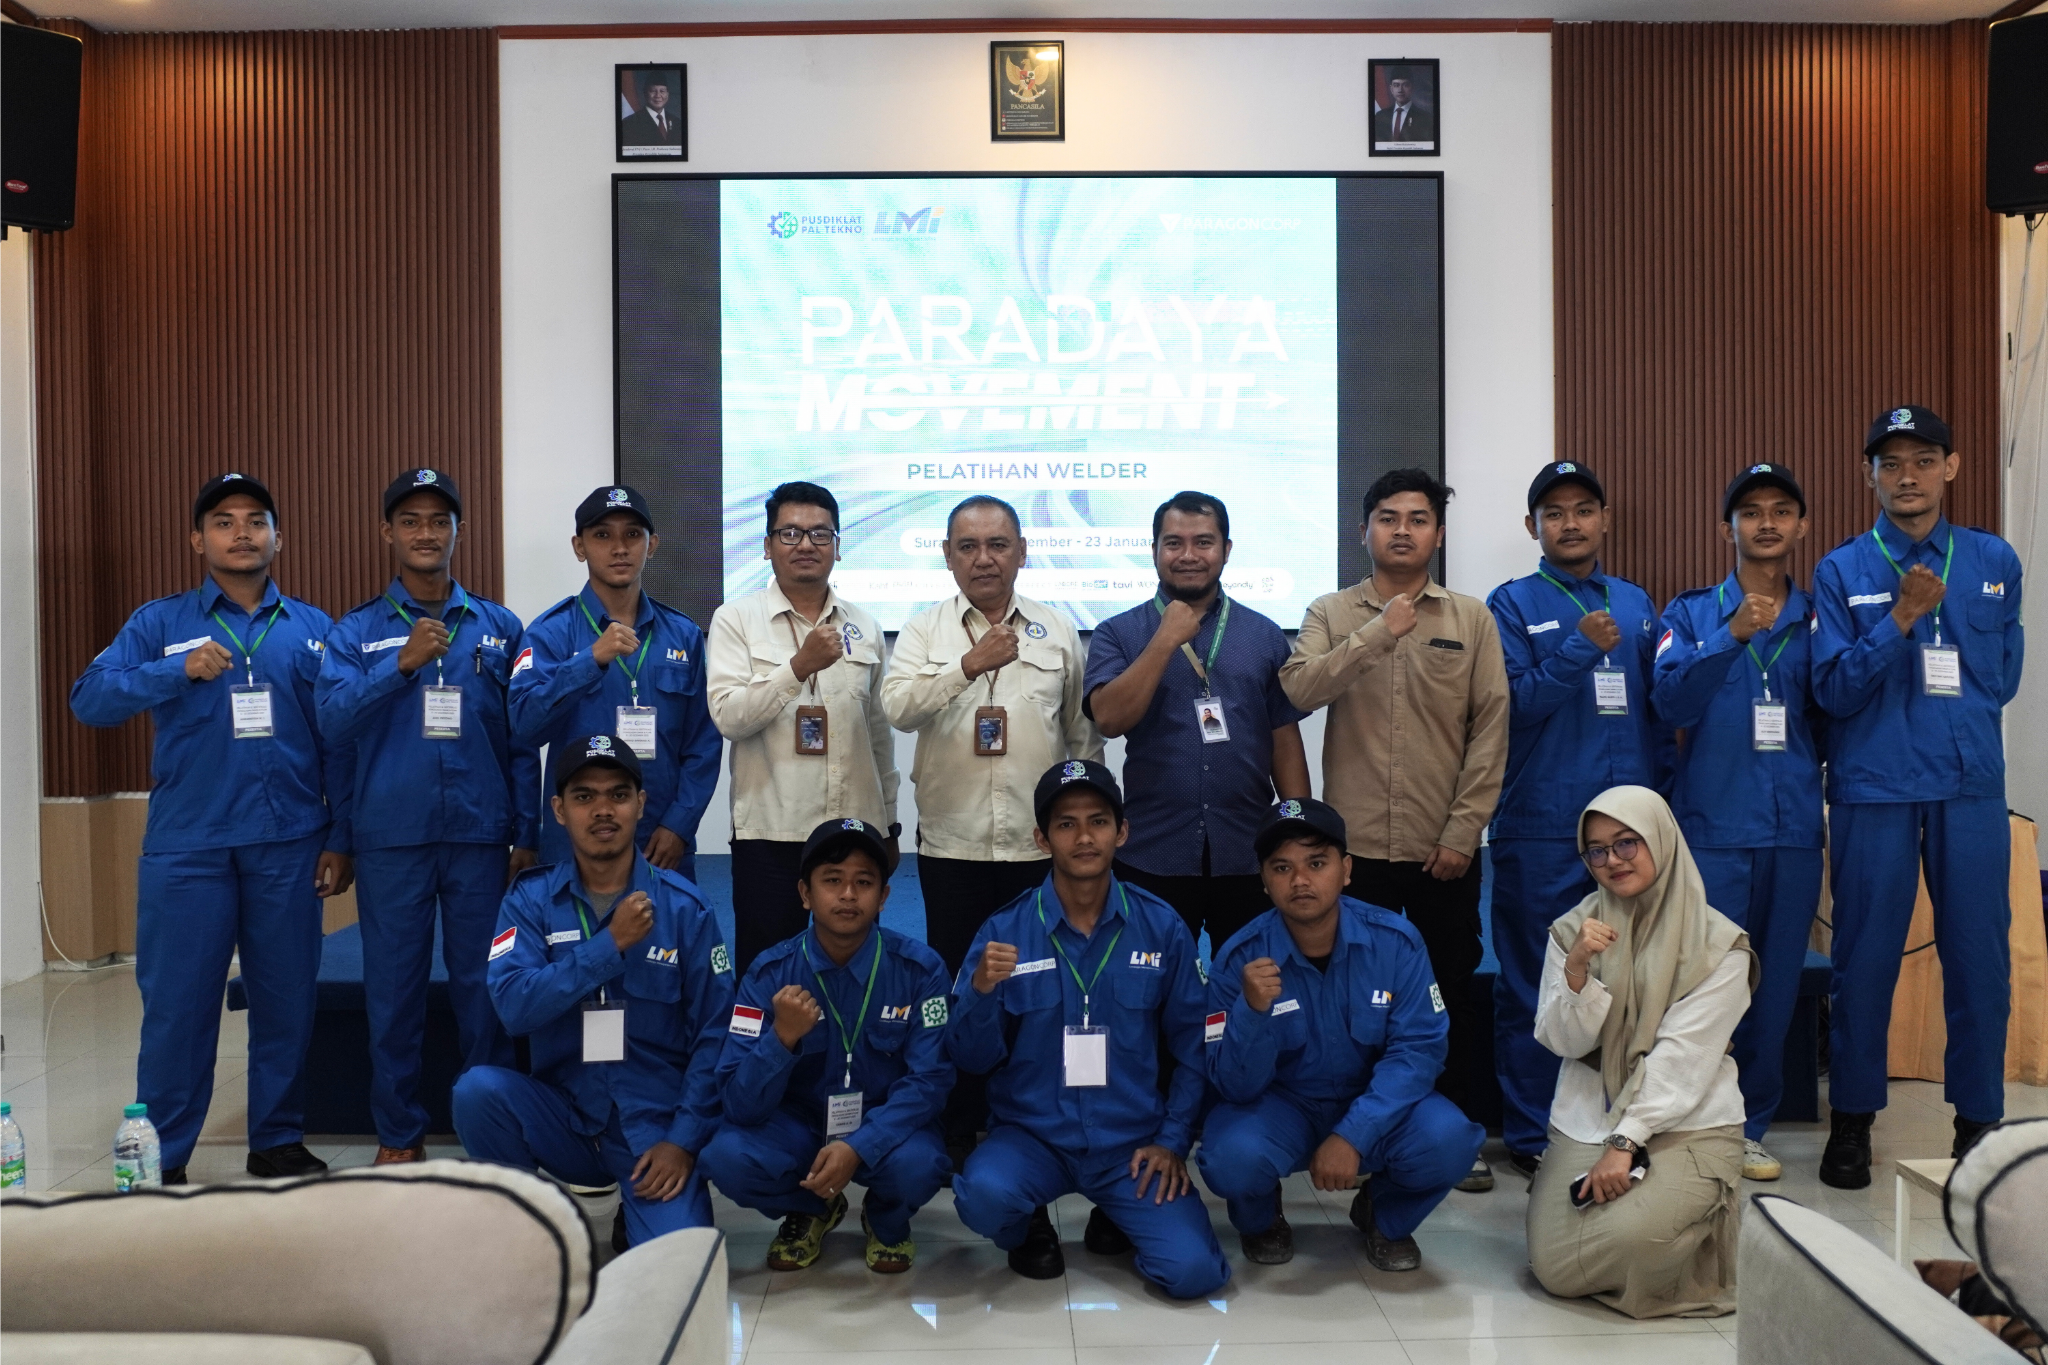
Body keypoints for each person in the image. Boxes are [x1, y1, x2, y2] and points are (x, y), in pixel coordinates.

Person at [70, 473, 353, 1183]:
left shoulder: (315, 630)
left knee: (286, 1000)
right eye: (223, 522)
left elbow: (340, 740)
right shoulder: (159, 623)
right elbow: (90, 699)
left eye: (256, 520)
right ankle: (164, 1153)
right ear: (197, 539)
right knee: (178, 1009)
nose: (241, 533)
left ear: (278, 537)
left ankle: (277, 1139)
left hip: (289, 842)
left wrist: (339, 834)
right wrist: (175, 672)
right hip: (187, 847)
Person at [1810, 406, 2024, 1187]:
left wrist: (1940, 625)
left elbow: (2001, 680)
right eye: (1890, 462)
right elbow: (1832, 688)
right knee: (1863, 961)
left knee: (1980, 960)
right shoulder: (1841, 571)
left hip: (1968, 787)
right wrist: (1900, 618)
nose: (1907, 476)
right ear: (1869, 475)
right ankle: (1854, 1120)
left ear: (1952, 467)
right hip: (1875, 786)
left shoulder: (1994, 558)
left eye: (1923, 459)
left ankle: (1979, 1124)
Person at [1279, 468, 1507, 1192]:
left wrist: (1464, 830)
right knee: (1354, 996)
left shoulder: (1471, 618)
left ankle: (1458, 1130)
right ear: (1364, 531)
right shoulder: (1330, 610)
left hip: (1443, 844)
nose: (1402, 529)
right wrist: (1378, 632)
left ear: (1438, 533)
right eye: (1387, 517)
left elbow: (1490, 728)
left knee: (1451, 988)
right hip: (1357, 852)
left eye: (1417, 518)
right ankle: (1353, 1127)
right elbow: (1297, 690)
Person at [315, 470, 538, 1163]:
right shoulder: (356, 632)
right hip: (392, 836)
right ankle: (399, 1133)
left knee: (484, 992)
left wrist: (525, 831)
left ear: (457, 533)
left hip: (479, 835)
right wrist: (402, 666)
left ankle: (489, 1131)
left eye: (439, 521)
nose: (425, 533)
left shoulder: (500, 628)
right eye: (410, 520)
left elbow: (522, 739)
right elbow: (333, 725)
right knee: (394, 993)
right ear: (388, 532)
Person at [947, 760, 1230, 1299]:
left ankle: (1119, 1215)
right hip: (1032, 1138)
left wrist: (1172, 1142)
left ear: (1121, 832)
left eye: (1098, 821)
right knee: (982, 1198)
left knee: (1195, 1273)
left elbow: (1194, 1046)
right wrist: (981, 993)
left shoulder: (1162, 927)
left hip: (1130, 1144)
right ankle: (1026, 1224)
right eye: (1065, 824)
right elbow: (971, 1057)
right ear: (1041, 837)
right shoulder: (1003, 931)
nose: (1083, 837)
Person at [452, 734, 733, 1246]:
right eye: (584, 796)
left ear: (641, 804)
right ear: (559, 810)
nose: (603, 810)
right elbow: (512, 1005)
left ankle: (642, 1207)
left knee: (678, 1262)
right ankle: (529, 1222)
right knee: (477, 1093)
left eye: (618, 795)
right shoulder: (530, 901)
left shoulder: (686, 908)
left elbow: (716, 1035)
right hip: (566, 1114)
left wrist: (682, 1141)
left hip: (652, 1129)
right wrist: (609, 946)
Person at [1198, 798, 1484, 1270]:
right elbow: (1233, 1086)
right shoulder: (1238, 959)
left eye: (1316, 863)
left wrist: (1353, 1135)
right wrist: (1251, 1012)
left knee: (1451, 1140)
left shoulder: (1396, 942)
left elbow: (1420, 1052)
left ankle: (1384, 1216)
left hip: (1370, 1099)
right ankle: (1261, 1217)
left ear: (1347, 869)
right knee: (1230, 1157)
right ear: (1264, 882)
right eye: (1282, 867)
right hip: (1282, 1107)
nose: (1300, 880)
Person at [1486, 461, 1664, 1175]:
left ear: (1605, 518)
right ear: (1533, 527)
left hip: (1628, 832)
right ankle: (1533, 1137)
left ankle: (1616, 1127)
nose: (1570, 522)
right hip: (1541, 823)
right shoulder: (1510, 602)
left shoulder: (1637, 602)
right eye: (1553, 512)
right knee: (1537, 983)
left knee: (1627, 983)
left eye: (1583, 509)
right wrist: (1579, 646)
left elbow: (1656, 712)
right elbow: (1513, 706)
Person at [1651, 463, 1824, 1184]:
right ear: (1728, 528)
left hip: (1791, 834)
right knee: (1704, 986)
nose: (1765, 523)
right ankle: (1692, 1118)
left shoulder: (1822, 615)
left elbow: (1840, 708)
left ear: (1800, 525)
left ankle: (1749, 1125)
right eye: (1750, 511)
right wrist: (1729, 634)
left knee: (1775, 989)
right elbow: (1670, 705)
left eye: (1781, 510)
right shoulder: (1688, 614)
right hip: (1715, 827)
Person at [1526, 786, 1755, 1320]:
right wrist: (1578, 967)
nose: (1612, 861)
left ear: (1660, 839)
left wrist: (1625, 1143)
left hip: (1687, 1120)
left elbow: (1683, 1059)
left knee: (1634, 1238)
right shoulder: (1573, 930)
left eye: (1627, 843)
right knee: (1556, 1266)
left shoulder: (1719, 946)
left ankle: (1706, 1235)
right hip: (1591, 1114)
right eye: (1597, 851)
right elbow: (1563, 1042)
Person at [700, 817, 952, 1274]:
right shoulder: (767, 974)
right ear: (804, 894)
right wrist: (781, 1037)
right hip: (798, 1127)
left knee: (924, 1163)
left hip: (882, 1120)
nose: (849, 895)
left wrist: (859, 1146)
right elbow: (739, 1104)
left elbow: (930, 1081)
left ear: (884, 896)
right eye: (832, 881)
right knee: (727, 1157)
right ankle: (813, 1208)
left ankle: (884, 1217)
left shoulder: (922, 972)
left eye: (863, 882)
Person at [1085, 490, 1311, 954]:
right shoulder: (1118, 632)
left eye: (1203, 542)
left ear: (1226, 550)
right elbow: (1108, 719)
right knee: (1150, 989)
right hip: (1153, 849)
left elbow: (1283, 737)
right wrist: (1163, 640)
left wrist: (1298, 828)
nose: (1188, 555)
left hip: (1249, 849)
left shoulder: (1263, 634)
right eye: (1173, 543)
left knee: (1257, 983)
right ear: (1154, 551)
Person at [880, 494, 1098, 972]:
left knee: (1040, 972)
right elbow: (898, 709)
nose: (983, 559)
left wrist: (1084, 825)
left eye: (997, 545)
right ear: (947, 554)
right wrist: (967, 666)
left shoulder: (1058, 629)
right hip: (953, 841)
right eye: (968, 546)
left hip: (1037, 839)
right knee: (958, 971)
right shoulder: (922, 629)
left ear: (1022, 551)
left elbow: (1082, 738)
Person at [708, 482, 898, 974]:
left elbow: (877, 737)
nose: (806, 545)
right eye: (790, 533)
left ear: (838, 545)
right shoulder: (737, 620)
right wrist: (796, 668)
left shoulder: (864, 626)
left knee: (853, 968)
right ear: (767, 546)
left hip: (854, 829)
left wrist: (890, 824)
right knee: (768, 969)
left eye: (820, 534)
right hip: (772, 830)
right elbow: (729, 716)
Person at [510, 485, 721, 876]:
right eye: (603, 535)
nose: (619, 548)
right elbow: (524, 725)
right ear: (579, 546)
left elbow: (703, 744)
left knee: (669, 938)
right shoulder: (550, 633)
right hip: (576, 842)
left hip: (662, 841)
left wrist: (680, 823)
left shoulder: (683, 634)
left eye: (633, 535)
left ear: (652, 545)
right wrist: (590, 660)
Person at [619, 75, 683, 147]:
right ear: (645, 93)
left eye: (662, 91)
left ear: (668, 94)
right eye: (652, 91)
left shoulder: (677, 123)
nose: (658, 95)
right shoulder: (629, 124)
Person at [1372, 71, 1435, 144]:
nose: (1400, 90)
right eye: (1396, 85)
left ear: (1412, 88)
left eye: (1405, 85)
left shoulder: (1425, 117)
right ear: (1391, 89)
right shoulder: (1380, 116)